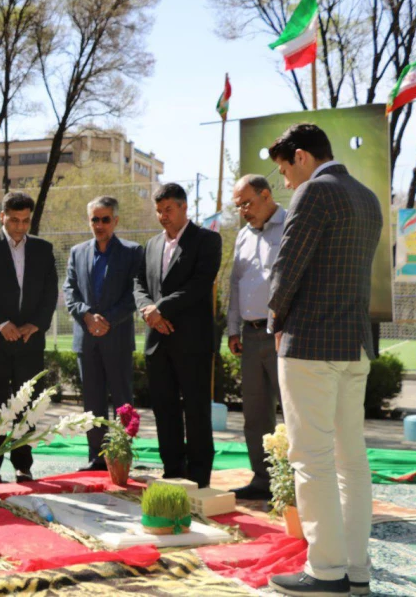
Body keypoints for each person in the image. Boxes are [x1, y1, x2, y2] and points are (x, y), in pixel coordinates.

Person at [266, 124, 382, 597]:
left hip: (312, 345)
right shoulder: (369, 198)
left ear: (301, 157)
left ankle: (326, 571)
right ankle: (355, 569)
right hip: (354, 345)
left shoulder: (314, 193)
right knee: (350, 461)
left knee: (311, 460)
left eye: (285, 171)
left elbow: (288, 265)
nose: (286, 183)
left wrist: (274, 319)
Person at [134, 183, 221, 488]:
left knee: (196, 411)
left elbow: (200, 283)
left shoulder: (207, 240)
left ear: (184, 207)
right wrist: (148, 310)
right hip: (158, 342)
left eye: (168, 209)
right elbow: (139, 283)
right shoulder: (152, 245)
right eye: (158, 211)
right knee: (164, 409)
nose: (162, 216)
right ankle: (172, 471)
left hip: (193, 342)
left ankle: (198, 478)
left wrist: (162, 309)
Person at [0, 192, 57, 483]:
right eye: (14, 220)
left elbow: (50, 292)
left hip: (29, 341)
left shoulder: (44, 250)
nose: (20, 227)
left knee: (27, 405)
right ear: (2, 216)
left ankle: (23, 465)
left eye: (25, 221)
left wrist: (36, 324)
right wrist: (2, 324)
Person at [63, 196, 143, 471]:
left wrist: (107, 319)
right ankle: (97, 458)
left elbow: (137, 293)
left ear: (115, 221)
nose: (99, 224)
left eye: (105, 219)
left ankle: (121, 457)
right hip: (87, 339)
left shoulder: (133, 252)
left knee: (123, 401)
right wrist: (86, 315)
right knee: (92, 402)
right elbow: (69, 291)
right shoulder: (77, 252)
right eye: (94, 219)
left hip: (117, 337)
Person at [226, 174, 286, 501]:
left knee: (291, 415)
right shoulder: (242, 237)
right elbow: (236, 284)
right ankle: (262, 480)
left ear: (266, 195)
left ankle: (293, 484)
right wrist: (233, 329)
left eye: (247, 203)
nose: (244, 211)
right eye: (239, 206)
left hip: (282, 335)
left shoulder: (292, 225)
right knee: (255, 414)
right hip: (249, 337)